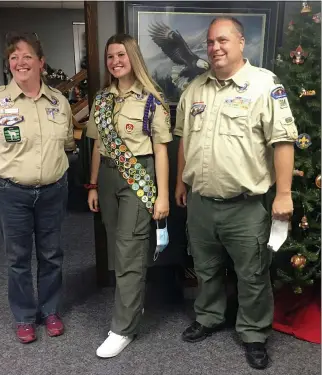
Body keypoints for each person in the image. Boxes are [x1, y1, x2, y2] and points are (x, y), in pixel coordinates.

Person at [174, 17, 297, 369]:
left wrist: (284, 194)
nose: (215, 47)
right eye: (211, 42)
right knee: (206, 268)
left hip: (245, 206)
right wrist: (180, 182)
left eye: (223, 40)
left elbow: (283, 141)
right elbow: (185, 139)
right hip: (201, 203)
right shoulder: (194, 89)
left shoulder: (265, 85)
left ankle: (254, 333)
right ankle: (210, 316)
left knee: (252, 274)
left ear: (241, 43)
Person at [0, 33, 75, 344]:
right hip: (10, 193)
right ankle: (24, 316)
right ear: (9, 64)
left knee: (51, 254)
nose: (20, 62)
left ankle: (51, 310)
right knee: (17, 258)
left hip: (53, 190)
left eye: (27, 56)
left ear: (41, 62)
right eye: (14, 58)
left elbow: (68, 144)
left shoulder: (60, 102)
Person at [86, 33, 172, 358]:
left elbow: (161, 151)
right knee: (117, 246)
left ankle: (123, 327)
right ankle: (133, 308)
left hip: (138, 177)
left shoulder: (152, 100)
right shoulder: (102, 99)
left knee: (130, 248)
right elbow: (97, 144)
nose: (115, 61)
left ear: (133, 57)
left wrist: (162, 196)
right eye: (110, 56)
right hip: (107, 178)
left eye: (121, 55)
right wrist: (93, 184)